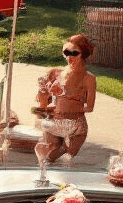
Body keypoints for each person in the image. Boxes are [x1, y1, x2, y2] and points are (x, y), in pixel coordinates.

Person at [35, 34, 97, 164]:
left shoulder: (89, 78)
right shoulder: (58, 74)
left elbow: (90, 107)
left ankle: (65, 147)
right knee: (46, 158)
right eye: (66, 53)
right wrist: (45, 97)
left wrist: (73, 105)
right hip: (56, 123)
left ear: (83, 54)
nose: (69, 57)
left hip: (76, 128)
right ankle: (61, 146)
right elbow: (46, 102)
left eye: (74, 53)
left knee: (66, 160)